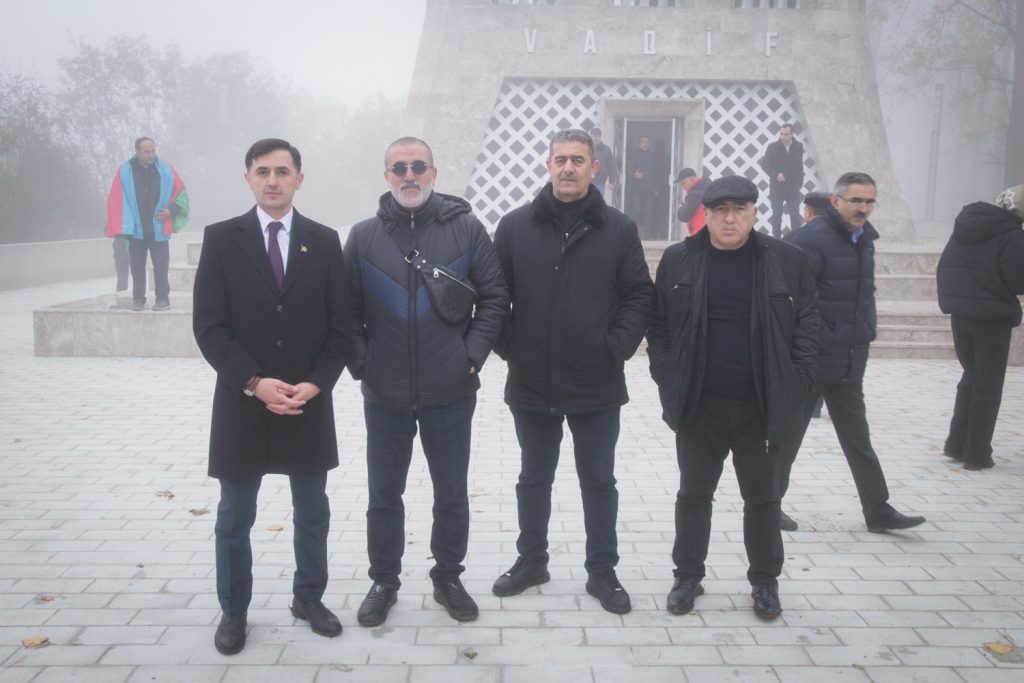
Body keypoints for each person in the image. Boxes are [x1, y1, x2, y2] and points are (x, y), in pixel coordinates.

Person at [193, 138, 354, 655]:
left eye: (282, 171)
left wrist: (318, 381)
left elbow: (342, 326)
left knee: (312, 512)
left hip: (307, 402)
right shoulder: (222, 239)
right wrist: (253, 382)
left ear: (299, 179)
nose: (272, 181)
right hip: (243, 403)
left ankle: (309, 598)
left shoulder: (324, 241)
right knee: (234, 516)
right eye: (262, 171)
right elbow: (210, 327)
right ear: (248, 178)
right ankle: (234, 609)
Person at [344, 137, 508, 627]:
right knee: (383, 495)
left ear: (434, 172)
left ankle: (448, 578)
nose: (409, 175)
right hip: (385, 393)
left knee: (451, 493)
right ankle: (383, 581)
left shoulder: (466, 229)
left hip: (450, 391)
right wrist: (364, 363)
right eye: (399, 168)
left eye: (418, 166)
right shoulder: (364, 236)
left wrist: (470, 357)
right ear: (387, 176)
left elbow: (495, 298)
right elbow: (344, 311)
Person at [491, 129, 654, 614]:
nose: (568, 168)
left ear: (594, 167)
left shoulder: (619, 229)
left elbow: (639, 294)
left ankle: (602, 570)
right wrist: (512, 346)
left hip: (596, 380)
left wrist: (616, 347)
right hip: (532, 379)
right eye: (560, 159)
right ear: (547, 165)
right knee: (533, 477)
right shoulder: (515, 226)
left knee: (599, 480)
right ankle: (531, 560)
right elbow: (494, 295)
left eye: (578, 160)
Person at [647, 175, 819, 620]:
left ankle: (765, 581)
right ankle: (688, 576)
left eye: (739, 209)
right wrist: (667, 374)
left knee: (763, 499)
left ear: (754, 213)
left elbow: (808, 323)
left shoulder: (786, 260)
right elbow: (659, 324)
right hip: (699, 403)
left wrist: (796, 380)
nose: (729, 219)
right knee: (693, 495)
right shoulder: (680, 260)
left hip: (760, 405)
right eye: (720, 210)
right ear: (704, 213)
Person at [777, 172, 927, 533]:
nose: (863, 208)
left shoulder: (864, 238)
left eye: (869, 201)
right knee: (788, 437)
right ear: (836, 201)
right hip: (812, 360)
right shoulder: (810, 239)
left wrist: (866, 331)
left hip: (849, 359)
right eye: (856, 200)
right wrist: (821, 339)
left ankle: (878, 510)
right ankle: (767, 505)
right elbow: (795, 300)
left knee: (858, 439)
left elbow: (864, 294)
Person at [937, 185, 1024, 470]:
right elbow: (1018, 280)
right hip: (992, 319)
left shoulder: (965, 227)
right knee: (988, 386)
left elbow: (945, 266)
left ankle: (956, 445)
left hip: (961, 314)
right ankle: (977, 454)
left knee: (971, 377)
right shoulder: (1011, 235)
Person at [106, 137, 189, 311]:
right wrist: (122, 226)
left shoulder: (165, 170)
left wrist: (170, 211)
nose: (151, 155)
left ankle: (162, 299)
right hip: (136, 231)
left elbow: (181, 194)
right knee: (136, 267)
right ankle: (138, 299)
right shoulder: (125, 171)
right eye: (147, 152)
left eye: (153, 151)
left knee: (161, 268)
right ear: (137, 152)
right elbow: (116, 199)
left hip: (158, 229)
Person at [759, 123, 804, 238]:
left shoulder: (799, 147)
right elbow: (764, 164)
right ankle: (776, 240)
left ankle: (797, 240)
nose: (783, 137)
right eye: (781, 134)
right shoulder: (772, 147)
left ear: (792, 134)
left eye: (786, 134)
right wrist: (775, 174)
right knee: (776, 216)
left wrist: (800, 183)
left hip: (793, 186)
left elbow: (800, 165)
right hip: (777, 187)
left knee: (795, 215)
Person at [626, 134, 656, 235]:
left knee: (649, 211)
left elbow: (656, 173)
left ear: (649, 144)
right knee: (636, 209)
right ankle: (630, 232)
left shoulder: (652, 156)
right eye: (643, 142)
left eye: (646, 142)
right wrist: (634, 174)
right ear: (639, 143)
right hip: (637, 188)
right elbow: (627, 170)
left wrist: (656, 189)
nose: (645, 144)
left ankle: (647, 233)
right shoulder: (633, 155)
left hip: (649, 188)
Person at [675, 168, 710, 237]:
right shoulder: (708, 188)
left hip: (699, 232)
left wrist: (681, 207)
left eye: (683, 183)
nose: (683, 187)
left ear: (692, 179)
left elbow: (683, 216)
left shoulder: (695, 194)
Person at [590, 127, 619, 198]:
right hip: (586, 182)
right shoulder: (586, 149)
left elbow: (611, 166)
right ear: (591, 136)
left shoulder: (606, 150)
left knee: (598, 202)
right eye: (594, 136)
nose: (597, 138)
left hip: (600, 182)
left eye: (598, 136)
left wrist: (611, 181)